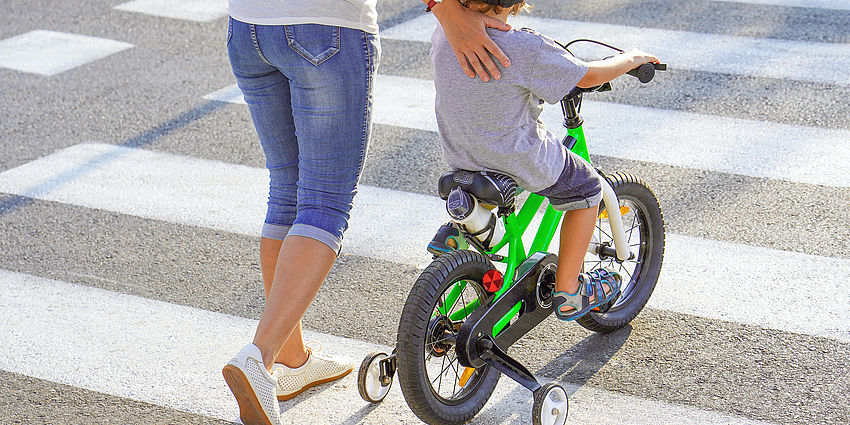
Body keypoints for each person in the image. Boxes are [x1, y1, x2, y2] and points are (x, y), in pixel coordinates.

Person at [220, 0, 518, 424]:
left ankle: (292, 359)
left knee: (287, 191)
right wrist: (448, 11)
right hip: (325, 30)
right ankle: (260, 357)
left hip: (249, 27)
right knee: (324, 202)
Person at [430, 0, 660, 320]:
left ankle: (461, 232)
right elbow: (587, 76)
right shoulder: (525, 46)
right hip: (514, 157)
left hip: (461, 151)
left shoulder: (447, 31)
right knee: (587, 188)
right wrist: (631, 59)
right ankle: (569, 292)